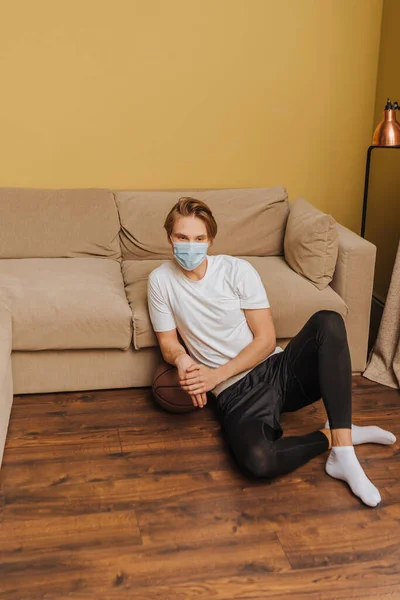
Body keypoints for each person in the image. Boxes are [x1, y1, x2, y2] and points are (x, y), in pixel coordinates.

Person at [147, 197, 396, 508]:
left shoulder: (237, 270)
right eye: (182, 237)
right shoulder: (160, 280)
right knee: (258, 461)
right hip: (235, 395)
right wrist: (183, 360)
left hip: (275, 370)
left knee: (328, 321)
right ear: (169, 237)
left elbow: (265, 340)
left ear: (210, 239)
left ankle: (345, 453)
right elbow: (168, 342)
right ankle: (331, 436)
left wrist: (214, 375)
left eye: (199, 238)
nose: (190, 246)